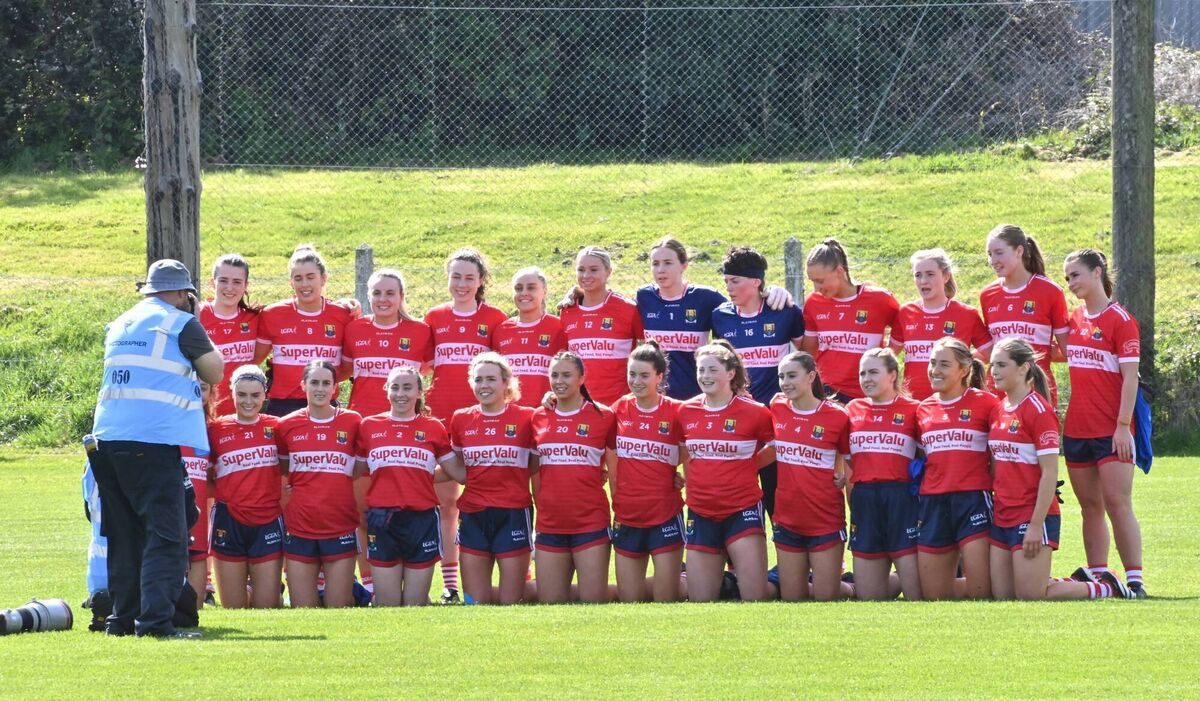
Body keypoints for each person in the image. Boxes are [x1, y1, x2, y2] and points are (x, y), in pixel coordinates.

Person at [88, 258, 223, 638]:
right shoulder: (180, 323)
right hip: (152, 443)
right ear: (183, 294)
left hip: (107, 443)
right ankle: (155, 625)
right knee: (167, 537)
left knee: (125, 535)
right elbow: (214, 372)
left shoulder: (122, 322)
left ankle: (121, 620)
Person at [987, 338, 1133, 600]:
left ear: (1023, 368)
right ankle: (1076, 579)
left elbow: (1050, 474)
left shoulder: (1039, 411)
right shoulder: (998, 409)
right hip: (1002, 514)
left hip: (1031, 515)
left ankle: (1107, 587)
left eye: (1001, 365)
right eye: (991, 365)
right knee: (1003, 596)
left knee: (1031, 596)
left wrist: (1035, 525)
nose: (993, 372)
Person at [424, 247, 509, 602]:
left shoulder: (496, 319)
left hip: (482, 420)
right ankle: (451, 584)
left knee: (499, 496)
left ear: (481, 281)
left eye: (469, 277)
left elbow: (503, 374)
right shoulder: (434, 317)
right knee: (446, 502)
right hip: (442, 417)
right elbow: (425, 366)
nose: (461, 283)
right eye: (455, 276)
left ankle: (519, 572)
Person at [1062, 249, 1146, 596]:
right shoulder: (1074, 318)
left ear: (1097, 273)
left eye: (1076, 275)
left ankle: (1135, 580)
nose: (1071, 284)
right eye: (1067, 278)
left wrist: (1123, 425)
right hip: (1076, 429)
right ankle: (1099, 576)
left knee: (1117, 502)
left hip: (1113, 431)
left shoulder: (1120, 319)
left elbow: (1131, 378)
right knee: (1090, 506)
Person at [355, 365, 466, 606]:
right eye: (395, 387)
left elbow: (455, 472)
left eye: (407, 387)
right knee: (389, 605)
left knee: (414, 606)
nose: (400, 393)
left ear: (419, 391)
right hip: (382, 520)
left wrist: (493, 462)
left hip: (421, 519)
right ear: (386, 390)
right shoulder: (369, 426)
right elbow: (355, 469)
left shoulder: (433, 427)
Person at [711, 245, 805, 519]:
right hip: (737, 418)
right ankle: (737, 558)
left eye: (735, 281)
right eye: (726, 281)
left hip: (776, 418)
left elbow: (807, 356)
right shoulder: (720, 316)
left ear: (756, 281)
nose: (728, 287)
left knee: (778, 490)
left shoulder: (785, 311)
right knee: (735, 491)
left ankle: (786, 556)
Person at [636, 237, 792, 401]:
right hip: (657, 397)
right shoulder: (644, 297)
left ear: (684, 265)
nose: (661, 269)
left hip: (698, 395)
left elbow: (744, 305)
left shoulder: (705, 297)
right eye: (655, 263)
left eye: (668, 262)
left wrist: (773, 290)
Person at [678, 341, 773, 602]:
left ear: (731, 373)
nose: (705, 376)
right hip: (701, 510)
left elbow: (777, 445)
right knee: (700, 601)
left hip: (741, 508)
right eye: (700, 370)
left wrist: (748, 464)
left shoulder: (755, 412)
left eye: (712, 370)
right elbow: (679, 450)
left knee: (755, 598)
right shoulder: (685, 411)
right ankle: (728, 584)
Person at [449, 353, 538, 605]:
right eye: (478, 380)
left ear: (506, 383)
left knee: (511, 602)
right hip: (473, 514)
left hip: (513, 512)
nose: (484, 385)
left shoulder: (527, 417)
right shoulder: (461, 418)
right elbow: (457, 466)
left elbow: (533, 464)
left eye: (491, 379)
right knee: (474, 603)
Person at [531, 351, 618, 604]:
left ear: (582, 377)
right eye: (554, 375)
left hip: (590, 522)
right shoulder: (537, 416)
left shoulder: (604, 416)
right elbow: (534, 472)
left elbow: (615, 470)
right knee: (550, 605)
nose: (559, 380)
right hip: (550, 524)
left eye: (567, 375)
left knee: (593, 602)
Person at [914, 337, 998, 599]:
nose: (935, 370)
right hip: (932, 502)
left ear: (964, 370)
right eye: (932, 363)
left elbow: (1000, 454)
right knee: (935, 597)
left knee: (980, 592)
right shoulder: (922, 409)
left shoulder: (987, 404)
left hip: (973, 500)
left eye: (944, 364)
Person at [275, 360, 362, 607]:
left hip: (340, 523)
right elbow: (284, 469)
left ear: (336, 387)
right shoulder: (286, 425)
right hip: (300, 524)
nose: (320, 389)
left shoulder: (353, 422)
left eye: (326, 383)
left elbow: (360, 466)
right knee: (304, 610)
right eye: (314, 382)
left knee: (338, 608)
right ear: (303, 385)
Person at [770, 351, 851, 601]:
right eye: (781, 376)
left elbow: (850, 458)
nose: (785, 382)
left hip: (824, 519)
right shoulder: (776, 406)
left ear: (811, 376)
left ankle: (865, 585)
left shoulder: (838, 415)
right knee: (793, 599)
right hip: (787, 518)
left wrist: (842, 475)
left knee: (827, 598)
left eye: (792, 375)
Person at [610, 341, 686, 602]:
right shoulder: (618, 408)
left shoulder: (677, 411)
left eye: (644, 375)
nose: (636, 381)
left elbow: (696, 449)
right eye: (632, 374)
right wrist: (550, 398)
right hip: (627, 514)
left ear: (659, 376)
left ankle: (710, 581)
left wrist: (679, 473)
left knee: (666, 600)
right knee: (630, 602)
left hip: (664, 514)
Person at [846, 349, 922, 601]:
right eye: (862, 373)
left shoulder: (915, 410)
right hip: (865, 499)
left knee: (916, 595)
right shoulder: (852, 409)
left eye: (873, 372)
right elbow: (845, 459)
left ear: (892, 375)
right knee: (869, 598)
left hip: (902, 499)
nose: (866, 378)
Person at [207, 365, 284, 609]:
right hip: (228, 519)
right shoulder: (216, 429)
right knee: (234, 608)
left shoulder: (278, 427)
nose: (248, 401)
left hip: (268, 519)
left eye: (254, 395)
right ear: (232, 393)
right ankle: (252, 587)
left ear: (265, 395)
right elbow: (207, 476)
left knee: (267, 607)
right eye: (242, 395)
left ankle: (270, 591)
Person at [256, 245, 355, 417]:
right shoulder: (273, 314)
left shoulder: (343, 315)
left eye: (310, 277)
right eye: (298, 278)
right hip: (283, 406)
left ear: (323, 279)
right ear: (291, 282)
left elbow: (347, 368)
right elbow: (255, 358)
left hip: (325, 404)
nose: (305, 284)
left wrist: (321, 386)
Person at [979, 224, 1070, 405]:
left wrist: (1040, 352)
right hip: (998, 393)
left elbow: (1068, 350)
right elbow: (992, 349)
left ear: (1019, 251)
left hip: (1037, 388)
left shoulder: (1050, 291)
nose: (993, 260)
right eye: (989, 254)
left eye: (999, 252)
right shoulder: (987, 295)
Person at [801, 238, 900, 403]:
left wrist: (884, 361)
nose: (816, 288)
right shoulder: (814, 303)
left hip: (869, 392)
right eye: (812, 281)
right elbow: (808, 353)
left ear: (839, 271)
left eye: (820, 281)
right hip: (828, 393)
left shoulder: (879, 299)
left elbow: (906, 327)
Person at [890, 248, 992, 400]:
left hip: (953, 402)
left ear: (945, 276)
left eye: (930, 274)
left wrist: (960, 361)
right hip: (913, 402)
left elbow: (991, 354)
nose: (923, 280)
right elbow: (888, 354)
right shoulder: (906, 312)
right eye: (918, 275)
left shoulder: (966, 314)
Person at [341, 268, 434, 418]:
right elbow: (345, 370)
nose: (382, 299)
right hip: (362, 417)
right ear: (369, 296)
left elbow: (431, 369)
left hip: (405, 418)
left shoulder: (420, 330)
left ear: (401, 296)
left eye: (390, 293)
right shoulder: (354, 328)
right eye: (376, 293)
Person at [559, 246, 644, 406]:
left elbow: (651, 347)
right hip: (579, 404)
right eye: (581, 270)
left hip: (619, 404)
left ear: (608, 272)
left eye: (593, 270)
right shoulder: (567, 311)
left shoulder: (628, 309)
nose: (586, 275)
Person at [493, 267, 567, 408]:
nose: (524, 293)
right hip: (510, 414)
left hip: (548, 411)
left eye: (531, 288)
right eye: (518, 288)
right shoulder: (501, 330)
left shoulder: (559, 327)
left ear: (544, 291)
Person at [198, 254, 260, 417]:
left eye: (237, 282)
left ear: (246, 285)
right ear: (212, 282)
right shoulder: (197, 315)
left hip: (243, 413)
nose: (229, 288)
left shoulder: (256, 318)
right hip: (204, 412)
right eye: (223, 280)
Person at [181, 381, 214, 609]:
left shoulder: (215, 429)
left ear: (212, 392)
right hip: (170, 516)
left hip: (200, 522)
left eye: (202, 387)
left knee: (194, 607)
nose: (196, 393)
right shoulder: (167, 427)